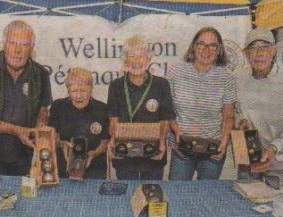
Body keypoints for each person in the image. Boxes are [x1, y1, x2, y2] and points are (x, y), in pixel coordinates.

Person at [167, 27, 236, 180]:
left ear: (219, 50)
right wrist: (175, 130)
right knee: (177, 195)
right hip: (182, 149)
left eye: (213, 45)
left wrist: (223, 145)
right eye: (201, 44)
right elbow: (167, 111)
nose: (206, 50)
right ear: (193, 47)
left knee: (207, 195)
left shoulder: (227, 77)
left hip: (212, 149)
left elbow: (228, 117)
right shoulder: (175, 73)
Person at [107, 35, 176, 180]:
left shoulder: (162, 84)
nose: (136, 61)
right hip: (124, 150)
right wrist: (113, 140)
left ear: (149, 59)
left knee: (152, 195)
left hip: (153, 151)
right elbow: (114, 119)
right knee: (127, 193)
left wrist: (162, 142)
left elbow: (165, 119)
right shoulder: (116, 86)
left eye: (141, 56)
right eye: (131, 56)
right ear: (125, 60)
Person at [0, 20, 52, 176]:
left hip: (25, 158)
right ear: (4, 44)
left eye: (23, 45)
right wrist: (17, 130)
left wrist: (41, 129)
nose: (17, 51)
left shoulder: (41, 74)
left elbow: (43, 110)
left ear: (31, 49)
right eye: (12, 43)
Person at [236, 27, 283, 188]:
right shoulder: (238, 78)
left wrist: (275, 148)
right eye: (253, 48)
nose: (259, 54)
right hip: (249, 162)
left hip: (280, 165)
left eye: (264, 47)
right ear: (245, 53)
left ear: (274, 50)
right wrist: (240, 121)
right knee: (243, 206)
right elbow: (235, 110)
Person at [49, 68, 109, 179]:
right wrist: (61, 144)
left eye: (83, 91)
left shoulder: (102, 109)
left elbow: (105, 142)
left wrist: (94, 153)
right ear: (68, 91)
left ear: (91, 89)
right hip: (64, 166)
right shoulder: (58, 106)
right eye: (74, 91)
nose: (78, 96)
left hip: (95, 167)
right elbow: (50, 137)